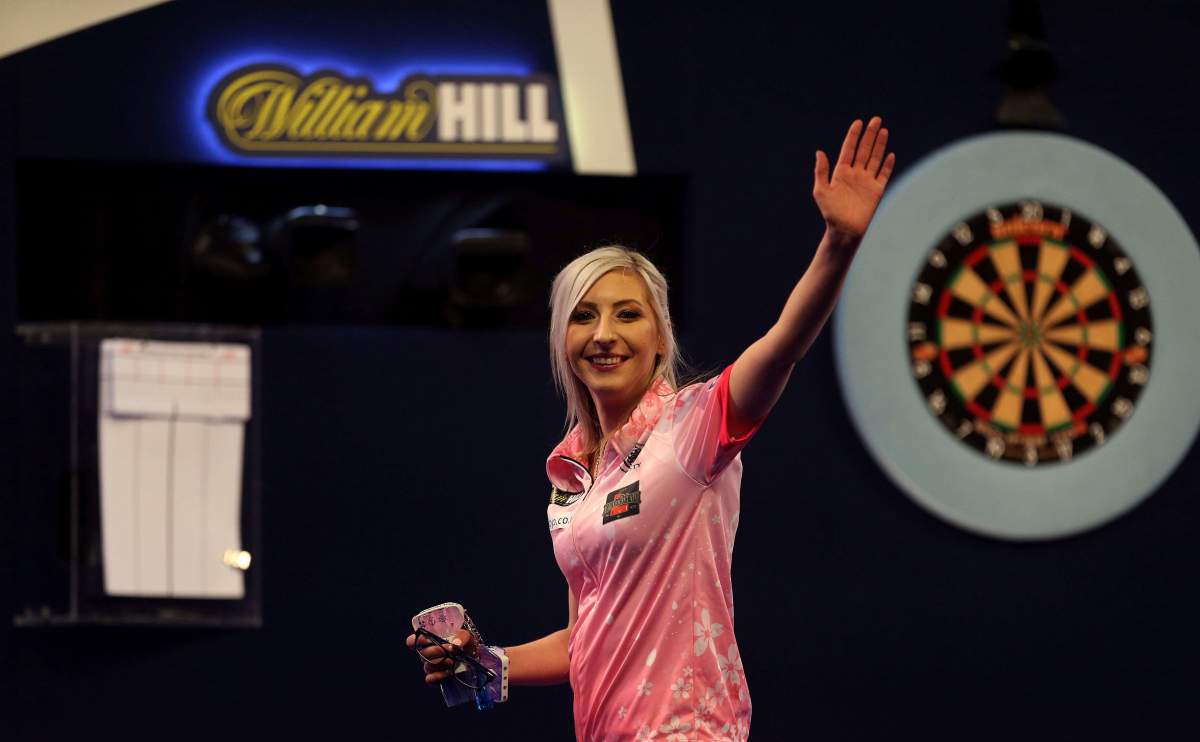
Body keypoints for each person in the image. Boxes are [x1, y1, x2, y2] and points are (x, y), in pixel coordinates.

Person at [407, 117, 896, 741]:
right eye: (584, 316)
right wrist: (487, 660)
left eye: (628, 315)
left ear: (660, 337)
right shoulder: (570, 474)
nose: (604, 333)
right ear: (563, 341)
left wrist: (839, 245)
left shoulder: (693, 428)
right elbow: (590, 635)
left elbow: (781, 347)